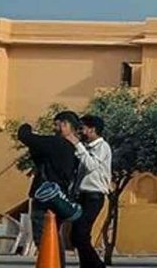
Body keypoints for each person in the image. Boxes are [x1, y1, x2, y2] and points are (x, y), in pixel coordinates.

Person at [18, 110, 83, 267]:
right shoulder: (74, 150)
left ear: (65, 125)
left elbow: (25, 137)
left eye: (57, 124)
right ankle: (58, 264)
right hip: (60, 197)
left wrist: (26, 126)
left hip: (45, 197)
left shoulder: (54, 143)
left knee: (43, 234)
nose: (55, 128)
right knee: (54, 233)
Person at [70, 114, 113, 268]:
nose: (80, 132)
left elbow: (91, 165)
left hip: (94, 197)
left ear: (92, 129)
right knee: (77, 236)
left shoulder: (102, 147)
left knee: (80, 235)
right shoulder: (85, 148)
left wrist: (77, 144)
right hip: (82, 196)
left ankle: (97, 265)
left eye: (82, 128)